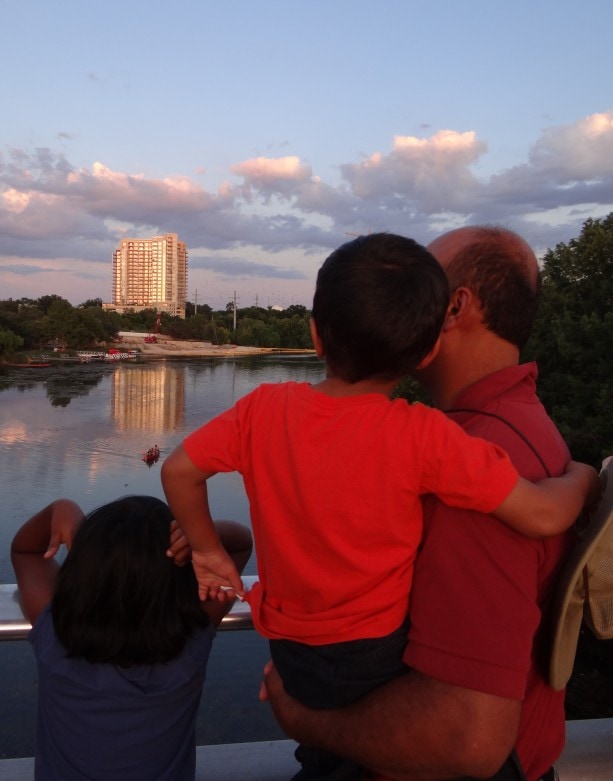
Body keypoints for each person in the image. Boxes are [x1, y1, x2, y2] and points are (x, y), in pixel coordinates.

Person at [163, 233, 597, 780]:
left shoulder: (267, 407)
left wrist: (300, 717)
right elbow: (542, 512)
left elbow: (469, 740)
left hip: (308, 669)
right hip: (373, 662)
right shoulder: (447, 439)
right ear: (426, 341)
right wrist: (583, 476)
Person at [11, 495, 252, 781]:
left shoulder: (55, 635)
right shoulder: (191, 640)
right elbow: (240, 544)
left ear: (82, 572)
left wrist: (59, 509)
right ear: (178, 581)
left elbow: (26, 552)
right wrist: (195, 534)